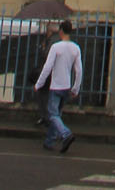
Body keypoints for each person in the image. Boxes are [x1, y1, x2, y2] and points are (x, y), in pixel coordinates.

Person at [33, 19, 83, 152]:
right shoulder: (75, 48)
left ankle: (66, 134)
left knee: (52, 114)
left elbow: (47, 67)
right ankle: (49, 141)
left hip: (56, 86)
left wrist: (39, 84)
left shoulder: (56, 47)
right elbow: (79, 71)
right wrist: (75, 88)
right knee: (57, 115)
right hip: (67, 87)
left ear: (61, 31)